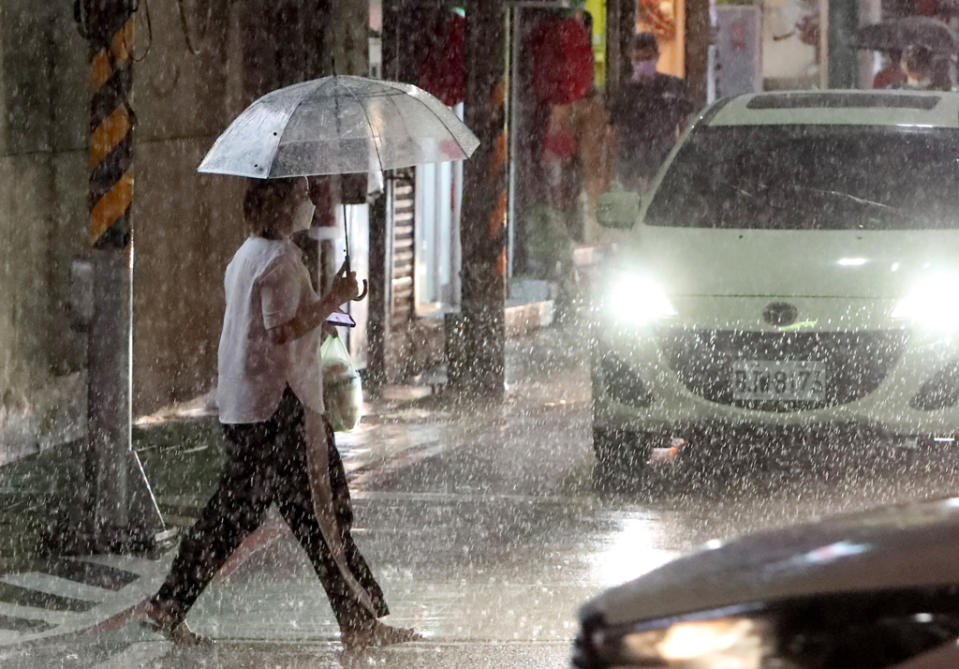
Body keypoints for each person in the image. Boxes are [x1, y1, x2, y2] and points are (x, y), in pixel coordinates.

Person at [137, 177, 418, 650]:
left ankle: (170, 603)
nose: (311, 201)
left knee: (232, 516)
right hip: (283, 409)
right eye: (304, 193)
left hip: (245, 407)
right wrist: (332, 299)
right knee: (325, 516)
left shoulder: (246, 255)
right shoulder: (281, 262)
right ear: (283, 203)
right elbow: (280, 331)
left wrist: (326, 306)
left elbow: (270, 326)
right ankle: (362, 622)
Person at [607, 32, 692, 192]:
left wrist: (682, 158)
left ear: (657, 56)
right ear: (631, 58)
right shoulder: (623, 92)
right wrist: (612, 165)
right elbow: (612, 131)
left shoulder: (672, 87)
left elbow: (685, 124)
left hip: (662, 159)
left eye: (648, 58)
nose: (643, 63)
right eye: (638, 59)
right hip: (630, 160)